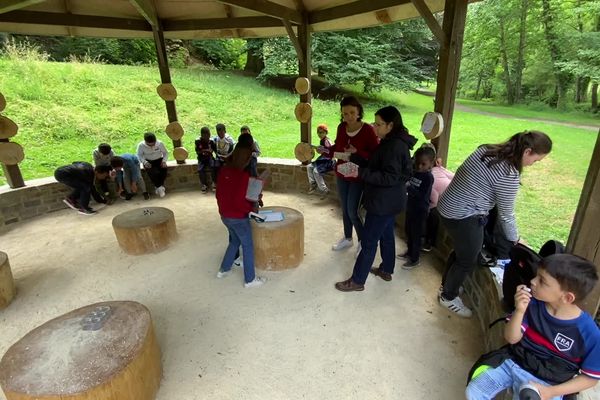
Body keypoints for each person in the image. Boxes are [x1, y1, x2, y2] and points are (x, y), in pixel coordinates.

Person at [437, 131, 553, 318]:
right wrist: (516, 239)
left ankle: (448, 285)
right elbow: (506, 215)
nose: (533, 165)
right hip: (463, 215)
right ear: (527, 151)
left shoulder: (486, 149)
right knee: (468, 258)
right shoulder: (509, 174)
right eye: (536, 160)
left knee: (462, 250)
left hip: (446, 206)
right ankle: (448, 296)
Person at [466, 254, 600, 400]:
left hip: (549, 383)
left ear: (567, 297)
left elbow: (590, 378)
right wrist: (519, 310)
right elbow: (511, 338)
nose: (533, 281)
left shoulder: (590, 334)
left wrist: (552, 392)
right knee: (475, 391)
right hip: (513, 362)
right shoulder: (533, 304)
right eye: (537, 276)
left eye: (542, 281)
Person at [335, 106, 415, 292]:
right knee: (386, 235)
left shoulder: (395, 146)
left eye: (379, 124)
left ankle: (357, 280)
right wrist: (355, 157)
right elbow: (377, 163)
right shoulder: (391, 141)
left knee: (369, 242)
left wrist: (359, 172)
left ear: (390, 125)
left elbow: (389, 177)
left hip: (383, 202)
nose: (375, 127)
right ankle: (386, 270)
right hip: (390, 201)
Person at [328, 96, 379, 255]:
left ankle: (363, 242)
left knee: (353, 211)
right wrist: (326, 151)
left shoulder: (368, 130)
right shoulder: (341, 127)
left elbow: (375, 155)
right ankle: (348, 238)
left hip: (358, 176)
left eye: (352, 112)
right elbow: (337, 146)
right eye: (345, 113)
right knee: (344, 209)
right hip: (342, 173)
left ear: (359, 112)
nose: (348, 117)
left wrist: (358, 152)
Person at [215, 141, 264, 288]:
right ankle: (250, 280)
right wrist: (251, 209)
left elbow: (219, 195)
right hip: (238, 218)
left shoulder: (223, 171)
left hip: (224, 215)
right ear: (246, 159)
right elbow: (239, 202)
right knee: (248, 246)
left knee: (234, 241)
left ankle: (224, 270)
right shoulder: (242, 176)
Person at [401, 146, 435, 270]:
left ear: (431, 163)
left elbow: (421, 194)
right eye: (417, 163)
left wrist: (408, 186)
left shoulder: (428, 178)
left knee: (416, 235)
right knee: (408, 231)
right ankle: (409, 252)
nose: (419, 166)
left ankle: (415, 259)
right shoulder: (415, 172)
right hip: (410, 207)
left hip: (420, 211)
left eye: (423, 164)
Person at [422, 146, 454, 252]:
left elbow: (434, 202)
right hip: (451, 195)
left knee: (431, 213)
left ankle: (429, 242)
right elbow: (453, 176)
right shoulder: (439, 169)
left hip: (450, 201)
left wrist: (427, 208)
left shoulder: (429, 179)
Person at [136, 132, 168, 198]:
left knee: (163, 171)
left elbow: (165, 153)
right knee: (153, 173)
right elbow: (139, 155)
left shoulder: (160, 143)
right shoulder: (141, 145)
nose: (152, 146)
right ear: (145, 141)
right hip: (148, 161)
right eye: (149, 145)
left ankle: (158, 187)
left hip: (159, 160)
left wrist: (164, 161)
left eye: (153, 144)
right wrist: (145, 162)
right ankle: (160, 188)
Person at [307, 123, 334, 195]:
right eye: (318, 132)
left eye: (322, 132)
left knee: (316, 171)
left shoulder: (327, 141)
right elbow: (322, 151)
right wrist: (319, 150)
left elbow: (331, 152)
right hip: (322, 159)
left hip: (328, 161)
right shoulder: (322, 140)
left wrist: (321, 149)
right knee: (309, 167)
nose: (319, 134)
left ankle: (324, 190)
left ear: (326, 133)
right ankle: (313, 184)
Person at [194, 126, 217, 193]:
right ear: (202, 135)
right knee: (200, 169)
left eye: (209, 135)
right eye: (206, 135)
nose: (208, 137)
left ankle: (214, 183)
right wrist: (205, 150)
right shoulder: (198, 141)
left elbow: (215, 151)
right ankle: (204, 185)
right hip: (201, 158)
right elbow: (198, 151)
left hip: (209, 157)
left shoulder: (211, 141)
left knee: (213, 166)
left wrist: (211, 151)